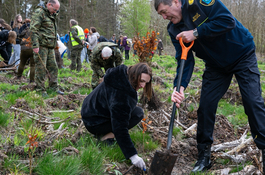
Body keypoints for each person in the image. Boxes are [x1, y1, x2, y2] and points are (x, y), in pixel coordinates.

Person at [155, 0, 265, 173]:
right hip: (216, 66)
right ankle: (204, 156)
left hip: (242, 54)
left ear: (175, 2)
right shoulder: (173, 29)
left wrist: (196, 32)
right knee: (205, 106)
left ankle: (264, 148)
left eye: (164, 11)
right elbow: (184, 59)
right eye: (160, 14)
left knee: (252, 101)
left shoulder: (198, 3)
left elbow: (227, 20)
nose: (163, 17)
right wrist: (180, 87)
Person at [81, 62, 152, 171]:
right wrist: (133, 155)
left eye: (146, 83)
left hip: (91, 113)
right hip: (94, 122)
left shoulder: (120, 75)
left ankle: (106, 132)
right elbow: (120, 127)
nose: (143, 86)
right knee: (137, 114)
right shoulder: (121, 93)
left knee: (137, 112)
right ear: (134, 75)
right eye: (142, 81)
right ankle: (106, 136)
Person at [30, 0, 64, 96]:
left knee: (53, 67)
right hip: (41, 46)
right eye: (54, 9)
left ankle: (53, 87)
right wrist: (35, 45)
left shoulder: (50, 14)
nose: (55, 12)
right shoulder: (39, 13)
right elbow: (33, 29)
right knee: (41, 68)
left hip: (50, 46)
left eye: (57, 10)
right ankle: (40, 90)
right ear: (49, 5)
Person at [16, 18, 35, 83]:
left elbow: (19, 38)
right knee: (33, 65)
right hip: (33, 48)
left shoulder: (21, 29)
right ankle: (32, 80)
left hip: (24, 49)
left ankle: (18, 77)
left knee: (22, 63)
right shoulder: (34, 28)